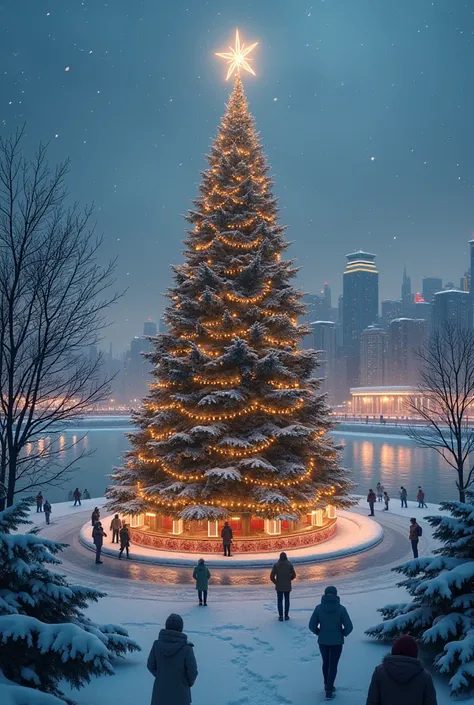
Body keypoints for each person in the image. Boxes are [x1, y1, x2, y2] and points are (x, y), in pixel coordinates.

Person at [309, 586, 353, 700]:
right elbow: (349, 626)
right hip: (337, 642)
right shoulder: (341, 609)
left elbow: (311, 625)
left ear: (325, 594)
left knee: (326, 662)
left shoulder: (318, 608)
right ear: (336, 594)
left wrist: (319, 633)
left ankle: (326, 685)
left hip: (323, 641)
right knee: (333, 664)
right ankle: (329, 689)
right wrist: (342, 633)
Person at [366, 634, 438, 705]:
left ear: (394, 651)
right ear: (415, 654)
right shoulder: (425, 676)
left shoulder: (379, 672)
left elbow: (372, 702)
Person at [147, 613, 198, 705]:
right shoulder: (186, 648)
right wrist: (186, 682)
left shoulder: (157, 645)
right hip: (181, 694)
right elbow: (192, 672)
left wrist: (162, 676)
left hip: (160, 693)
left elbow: (150, 666)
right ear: (181, 629)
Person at [270, 551, 296, 621]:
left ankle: (281, 616)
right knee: (287, 601)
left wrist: (276, 582)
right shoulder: (289, 565)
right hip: (287, 586)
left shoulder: (276, 565)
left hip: (279, 587)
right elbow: (294, 575)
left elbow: (271, 577)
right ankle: (286, 615)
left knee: (279, 601)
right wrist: (289, 579)